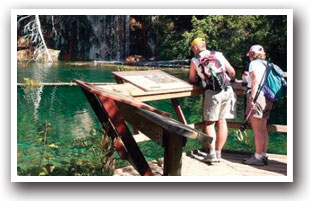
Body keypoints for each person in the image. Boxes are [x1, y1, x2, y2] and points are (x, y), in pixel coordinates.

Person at [189, 38, 236, 164]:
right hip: (227, 90)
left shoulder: (195, 60)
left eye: (192, 48)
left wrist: (200, 81)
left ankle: (212, 154)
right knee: (222, 121)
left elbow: (192, 79)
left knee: (209, 123)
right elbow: (231, 71)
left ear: (195, 48)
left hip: (212, 91)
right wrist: (230, 82)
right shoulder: (218, 54)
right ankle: (219, 152)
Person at [243, 44, 273, 166]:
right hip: (268, 96)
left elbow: (254, 80)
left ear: (251, 54)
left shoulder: (253, 64)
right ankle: (263, 155)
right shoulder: (267, 64)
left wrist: (251, 98)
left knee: (257, 130)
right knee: (263, 128)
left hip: (258, 96)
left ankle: (257, 157)